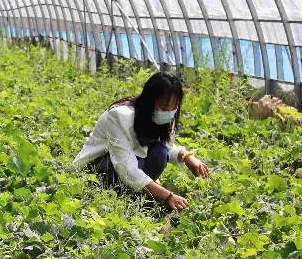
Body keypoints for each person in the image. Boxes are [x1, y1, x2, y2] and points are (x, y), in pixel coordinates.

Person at [73, 71, 210, 212]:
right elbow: (125, 167)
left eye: (173, 108)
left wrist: (187, 157)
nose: (168, 112)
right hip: (96, 170)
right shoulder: (119, 116)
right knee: (139, 161)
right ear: (150, 101)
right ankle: (117, 198)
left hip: (128, 169)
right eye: (163, 107)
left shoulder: (167, 118)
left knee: (160, 153)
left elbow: (166, 146)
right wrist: (167, 196)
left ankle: (133, 197)